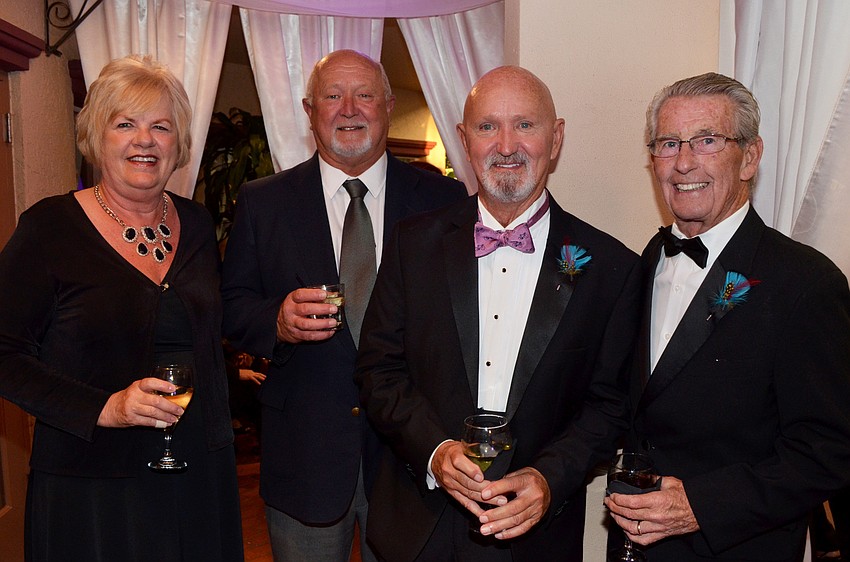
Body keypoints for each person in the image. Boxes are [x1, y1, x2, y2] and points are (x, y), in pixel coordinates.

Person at [354, 65, 641, 561]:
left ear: (557, 139)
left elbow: (610, 404)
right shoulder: (411, 244)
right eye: (488, 127)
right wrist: (435, 452)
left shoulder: (612, 267)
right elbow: (378, 369)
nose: (506, 145)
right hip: (418, 527)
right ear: (465, 140)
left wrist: (550, 479)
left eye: (525, 125)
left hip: (535, 535)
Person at [220, 49, 466, 561]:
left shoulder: (444, 200)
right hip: (304, 458)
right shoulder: (264, 202)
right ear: (310, 110)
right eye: (333, 96)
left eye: (364, 95)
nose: (348, 109)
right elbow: (232, 305)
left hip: (413, 460)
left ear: (388, 106)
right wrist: (277, 322)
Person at [0, 55, 243, 561]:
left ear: (178, 143)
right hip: (91, 486)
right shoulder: (50, 228)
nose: (145, 140)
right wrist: (105, 408)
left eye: (161, 126)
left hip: (197, 472)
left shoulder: (198, 225)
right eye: (125, 124)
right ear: (96, 135)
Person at [604, 72, 850, 561]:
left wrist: (700, 506)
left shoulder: (806, 282)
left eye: (708, 140)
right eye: (669, 143)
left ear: (750, 157)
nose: (685, 161)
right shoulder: (647, 260)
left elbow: (828, 450)